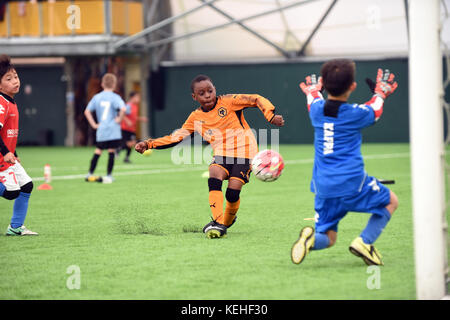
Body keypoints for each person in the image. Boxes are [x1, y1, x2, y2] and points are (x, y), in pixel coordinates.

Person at [135, 74, 285, 238]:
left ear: (215, 90)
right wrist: (149, 144)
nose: (207, 95)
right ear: (194, 97)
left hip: (246, 152)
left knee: (232, 194)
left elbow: (256, 99)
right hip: (221, 154)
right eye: (202, 93)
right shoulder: (196, 117)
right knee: (214, 173)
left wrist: (270, 115)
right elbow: (175, 138)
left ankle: (227, 221)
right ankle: (219, 222)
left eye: (210, 91)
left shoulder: (229, 102)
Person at [291, 59, 399, 266]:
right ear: (352, 86)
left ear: (323, 82)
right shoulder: (356, 113)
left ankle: (312, 239)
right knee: (391, 201)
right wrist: (380, 93)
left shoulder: (316, 111)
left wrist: (312, 91)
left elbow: (313, 98)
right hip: (352, 184)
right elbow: (375, 109)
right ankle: (364, 242)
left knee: (329, 238)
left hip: (323, 187)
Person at [0, 54, 37, 236]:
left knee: (27, 185)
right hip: (1, 157)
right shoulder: (1, 103)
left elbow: (7, 133)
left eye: (15, 76)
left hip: (7, 155)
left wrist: (13, 151)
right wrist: (6, 151)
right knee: (10, 192)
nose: (15, 81)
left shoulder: (11, 102)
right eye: (8, 79)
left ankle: (15, 227)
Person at [84, 73, 126, 184]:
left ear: (102, 84)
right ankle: (109, 175)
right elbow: (123, 109)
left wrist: (94, 124)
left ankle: (90, 173)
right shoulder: (115, 97)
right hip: (113, 130)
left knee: (98, 150)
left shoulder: (97, 97)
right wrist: (119, 119)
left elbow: (87, 111)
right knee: (111, 151)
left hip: (101, 130)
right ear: (114, 85)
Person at [119, 91, 147, 163]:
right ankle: (118, 149)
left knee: (131, 143)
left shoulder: (135, 106)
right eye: (137, 97)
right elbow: (122, 113)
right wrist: (127, 121)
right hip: (126, 128)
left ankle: (126, 158)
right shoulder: (129, 106)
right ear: (132, 98)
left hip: (132, 129)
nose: (139, 99)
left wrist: (141, 119)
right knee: (131, 143)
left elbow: (134, 117)